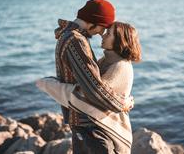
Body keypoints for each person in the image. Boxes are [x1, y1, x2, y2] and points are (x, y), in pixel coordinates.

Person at [37, 18, 142, 153]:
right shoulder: (106, 60)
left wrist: (49, 85)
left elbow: (91, 97)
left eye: (108, 33)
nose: (102, 35)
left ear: (120, 40)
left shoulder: (120, 66)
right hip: (96, 128)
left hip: (106, 133)